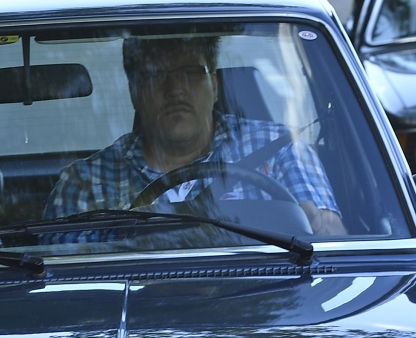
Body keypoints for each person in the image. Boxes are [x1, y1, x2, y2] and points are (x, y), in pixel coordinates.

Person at [46, 34, 346, 237]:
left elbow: (332, 239)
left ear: (214, 86)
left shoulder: (281, 150)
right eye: (155, 75)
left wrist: (320, 228)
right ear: (134, 93)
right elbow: (64, 279)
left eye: (190, 73)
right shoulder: (86, 182)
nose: (175, 89)